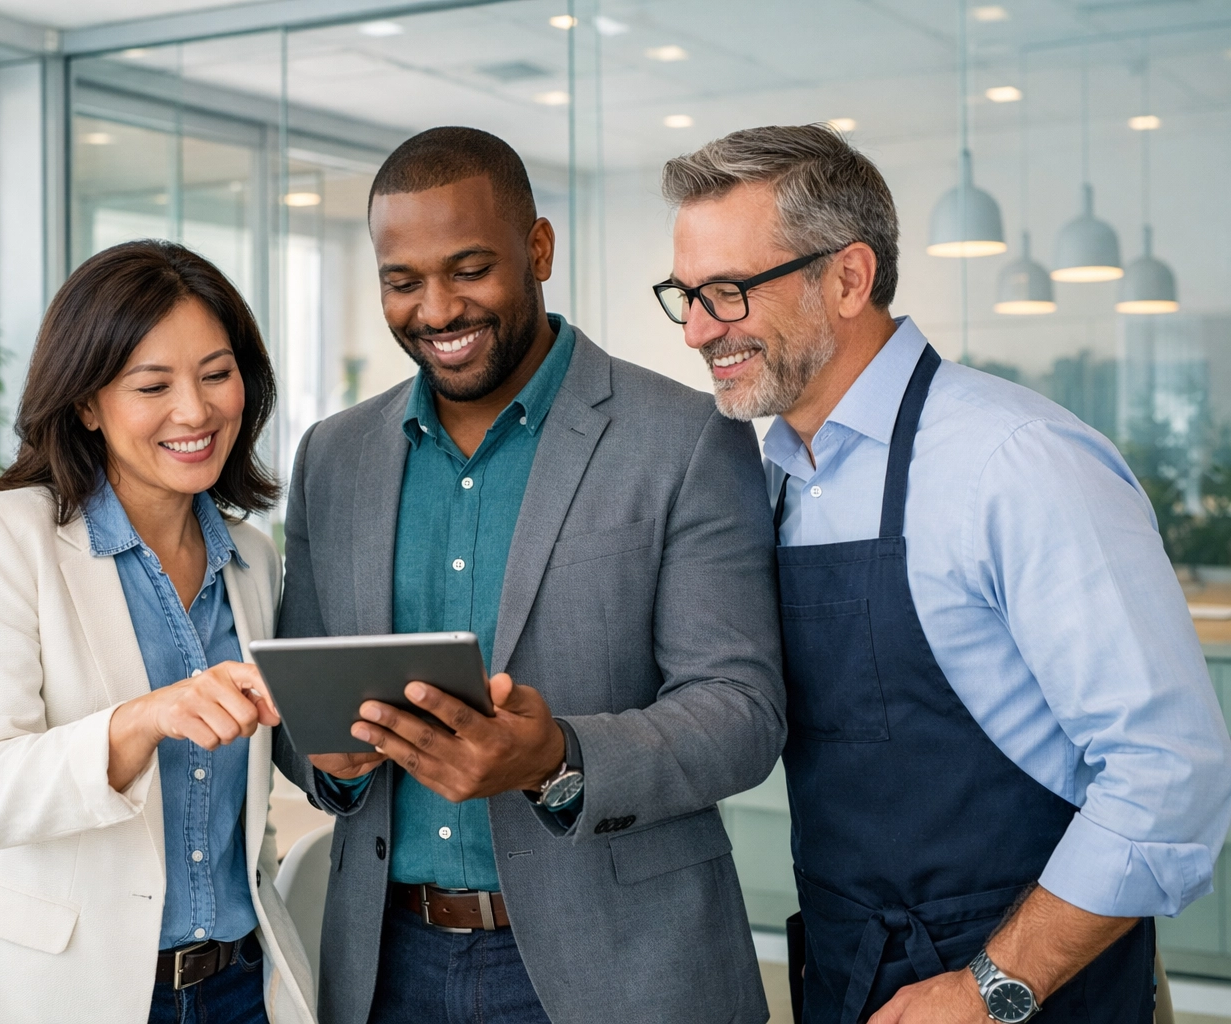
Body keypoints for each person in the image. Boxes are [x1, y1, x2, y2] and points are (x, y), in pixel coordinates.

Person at [657, 123, 1231, 1024]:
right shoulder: (768, 478)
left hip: (1035, 989)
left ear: (848, 278)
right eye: (686, 295)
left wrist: (991, 989)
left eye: (729, 293)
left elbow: (1169, 776)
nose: (696, 330)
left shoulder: (1017, 461)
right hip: (850, 975)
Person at [271, 126, 786, 1024]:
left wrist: (558, 757)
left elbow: (741, 711)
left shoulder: (684, 438)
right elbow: (302, 705)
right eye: (402, 281)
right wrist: (332, 761)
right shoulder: (334, 457)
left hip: (622, 964)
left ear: (537, 249)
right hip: (388, 967)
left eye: (469, 269)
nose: (435, 310)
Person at [0, 241, 316, 1024]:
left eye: (216, 374)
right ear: (87, 403)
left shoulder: (253, 559)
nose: (195, 411)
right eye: (152, 385)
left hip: (239, 986)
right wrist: (144, 720)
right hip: (61, 992)